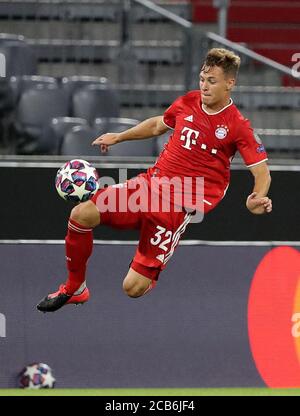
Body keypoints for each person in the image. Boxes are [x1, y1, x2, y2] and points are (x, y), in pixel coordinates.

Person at [37, 48, 272, 313]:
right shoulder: (189, 102)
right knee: (81, 214)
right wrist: (119, 137)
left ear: (230, 83)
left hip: (176, 207)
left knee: (133, 288)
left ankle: (150, 264)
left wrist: (257, 197)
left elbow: (261, 172)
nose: (204, 86)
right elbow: (158, 125)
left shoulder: (238, 125)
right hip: (148, 187)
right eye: (202, 79)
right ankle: (75, 287)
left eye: (212, 81)